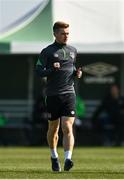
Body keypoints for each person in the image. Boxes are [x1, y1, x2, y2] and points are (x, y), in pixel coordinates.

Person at [35, 21, 82, 172]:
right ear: (55, 34)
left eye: (67, 33)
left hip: (69, 93)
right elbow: (39, 71)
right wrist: (50, 70)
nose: (66, 36)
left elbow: (72, 68)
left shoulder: (73, 50)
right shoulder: (47, 51)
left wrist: (76, 73)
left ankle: (68, 159)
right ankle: (54, 156)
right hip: (53, 95)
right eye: (63, 33)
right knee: (53, 129)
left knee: (67, 127)